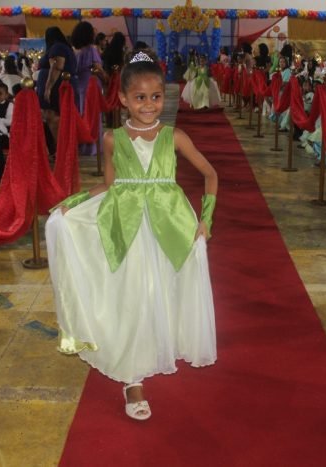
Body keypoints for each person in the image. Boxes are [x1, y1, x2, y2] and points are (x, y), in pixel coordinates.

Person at [45, 50, 218, 421]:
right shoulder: (113, 139)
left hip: (170, 226)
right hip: (128, 226)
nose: (149, 105)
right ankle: (132, 376)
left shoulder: (175, 137)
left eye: (156, 97)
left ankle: (157, 343)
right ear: (123, 98)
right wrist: (72, 204)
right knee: (133, 293)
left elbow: (210, 175)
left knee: (162, 290)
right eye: (140, 97)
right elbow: (110, 185)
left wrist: (206, 220)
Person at [36, 27, 77, 147]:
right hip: (57, 85)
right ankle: (59, 147)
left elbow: (57, 67)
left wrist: (48, 87)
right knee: (53, 116)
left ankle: (61, 148)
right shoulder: (62, 47)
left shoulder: (57, 47)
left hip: (56, 86)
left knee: (53, 116)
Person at [72, 21, 106, 155]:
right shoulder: (92, 50)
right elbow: (98, 67)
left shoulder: (76, 51)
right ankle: (93, 147)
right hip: (91, 84)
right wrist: (106, 77)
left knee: (82, 114)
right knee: (93, 115)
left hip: (79, 85)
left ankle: (83, 146)